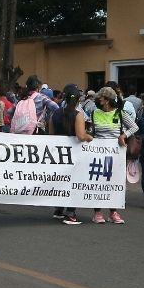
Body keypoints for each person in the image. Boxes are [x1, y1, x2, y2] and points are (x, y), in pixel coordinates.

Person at [89, 86, 137, 224]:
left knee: (114, 182)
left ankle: (113, 212)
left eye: (101, 97)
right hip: (97, 153)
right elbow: (91, 130)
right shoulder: (94, 113)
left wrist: (124, 135)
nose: (98, 99)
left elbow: (134, 127)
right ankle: (97, 212)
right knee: (97, 182)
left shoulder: (120, 113)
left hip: (116, 154)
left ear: (107, 99)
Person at [51, 85, 92, 225]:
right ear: (78, 100)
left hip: (58, 153)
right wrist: (89, 137)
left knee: (60, 180)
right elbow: (80, 135)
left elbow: (51, 134)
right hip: (73, 153)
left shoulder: (55, 113)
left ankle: (58, 209)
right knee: (73, 181)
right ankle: (70, 213)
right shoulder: (78, 114)